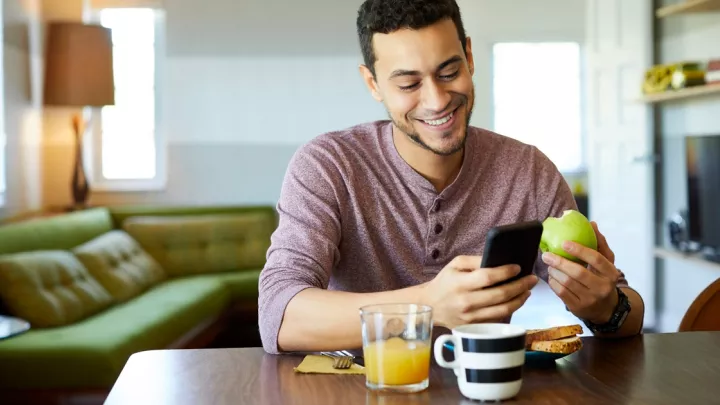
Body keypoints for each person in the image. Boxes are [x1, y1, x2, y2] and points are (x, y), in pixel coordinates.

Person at [258, 0, 645, 355]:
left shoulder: (529, 171)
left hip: (484, 390)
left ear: (469, 57)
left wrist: (605, 305)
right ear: (373, 83)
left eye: (449, 71)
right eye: (409, 84)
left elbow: (628, 313)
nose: (437, 100)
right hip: (354, 388)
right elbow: (278, 315)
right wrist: (427, 305)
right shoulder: (329, 165)